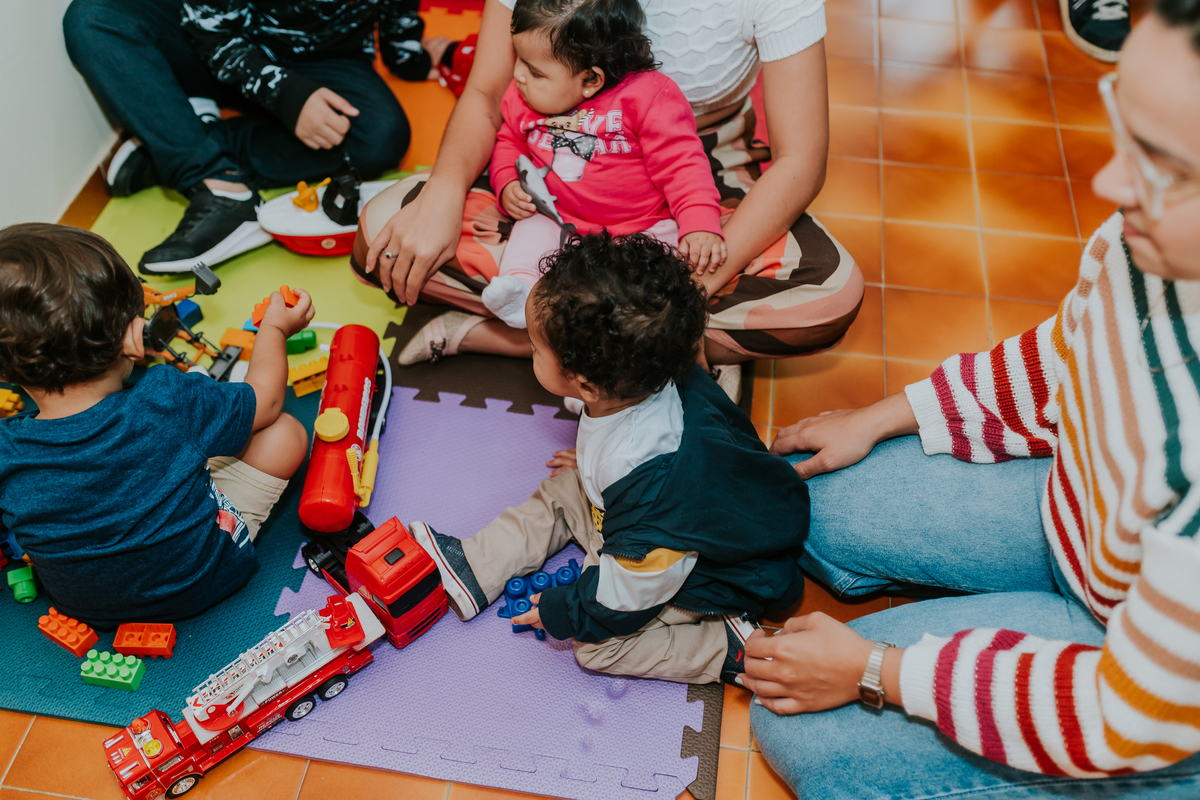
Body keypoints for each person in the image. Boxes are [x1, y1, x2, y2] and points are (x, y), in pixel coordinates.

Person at [742, 1, 1200, 796]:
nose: (1110, 180)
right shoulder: (1147, 235)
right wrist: (887, 415)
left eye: (1169, 167)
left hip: (1147, 696)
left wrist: (881, 672)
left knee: (804, 737)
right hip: (1087, 530)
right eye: (1123, 125)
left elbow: (1128, 712)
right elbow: (1069, 356)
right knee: (803, 498)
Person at [350, 0, 863, 399]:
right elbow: (490, 95)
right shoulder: (534, 90)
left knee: (826, 294)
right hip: (547, 161)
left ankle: (527, 337)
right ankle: (642, 353)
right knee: (382, 235)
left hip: (694, 170)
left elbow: (800, 161)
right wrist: (444, 189)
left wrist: (684, 292)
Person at [409, 232, 810, 684]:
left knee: (597, 650)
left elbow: (628, 595)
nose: (531, 353)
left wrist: (567, 609)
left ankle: (724, 648)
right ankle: (475, 567)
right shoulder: (653, 368)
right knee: (564, 489)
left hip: (710, 572)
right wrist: (595, 471)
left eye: (537, 349)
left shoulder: (652, 492)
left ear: (587, 384)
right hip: (666, 519)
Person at [0, 224, 314, 628]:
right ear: (134, 338)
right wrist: (274, 329)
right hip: (206, 576)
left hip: (86, 607)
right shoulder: (166, 396)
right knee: (284, 433)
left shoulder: (8, 449)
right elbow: (266, 402)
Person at [62, 0, 446, 275]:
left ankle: (180, 143)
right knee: (94, 17)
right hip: (210, 42)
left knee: (382, 138)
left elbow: (398, 15)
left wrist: (415, 58)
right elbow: (211, 34)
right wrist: (287, 95)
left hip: (325, 58)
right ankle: (220, 185)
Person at [423, 0, 724, 338]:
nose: (519, 74)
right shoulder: (523, 96)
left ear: (590, 79)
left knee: (665, 274)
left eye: (535, 71)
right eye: (519, 58)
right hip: (558, 215)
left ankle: (616, 330)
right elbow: (508, 140)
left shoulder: (649, 97)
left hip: (641, 224)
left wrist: (699, 222)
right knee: (528, 233)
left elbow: (683, 164)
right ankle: (522, 293)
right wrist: (507, 181)